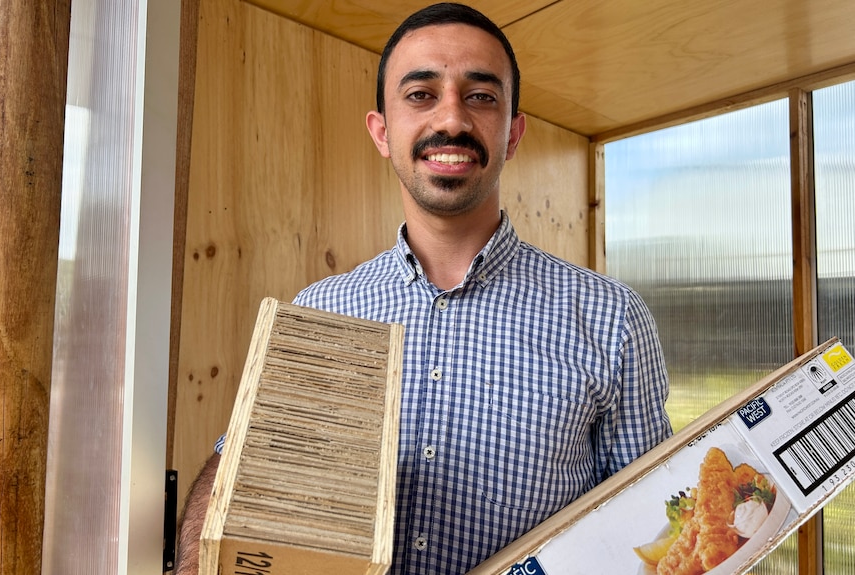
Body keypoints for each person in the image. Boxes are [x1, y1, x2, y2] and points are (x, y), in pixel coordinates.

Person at [175, 3, 672, 574]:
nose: (452, 120)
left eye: (481, 95)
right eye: (420, 94)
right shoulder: (321, 309)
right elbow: (240, 475)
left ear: (512, 134)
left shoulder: (610, 317)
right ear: (382, 132)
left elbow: (651, 525)